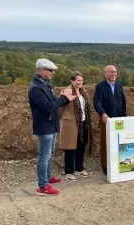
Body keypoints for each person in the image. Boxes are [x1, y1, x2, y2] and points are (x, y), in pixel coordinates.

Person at [28, 58, 76, 196]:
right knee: (44, 155)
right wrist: (64, 99)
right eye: (50, 70)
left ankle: (48, 177)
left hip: (52, 124)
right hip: (44, 126)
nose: (53, 73)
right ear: (41, 70)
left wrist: (62, 98)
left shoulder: (46, 84)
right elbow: (48, 107)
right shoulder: (36, 88)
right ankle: (42, 186)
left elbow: (54, 101)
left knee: (50, 153)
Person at [59, 71, 94, 181]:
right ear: (72, 81)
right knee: (70, 148)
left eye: (81, 80)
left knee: (81, 146)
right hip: (71, 123)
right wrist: (61, 120)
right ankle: (69, 172)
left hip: (83, 122)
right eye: (78, 80)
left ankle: (79, 168)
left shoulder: (83, 92)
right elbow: (60, 107)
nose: (80, 82)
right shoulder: (66, 92)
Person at [93, 65, 126, 175]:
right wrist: (102, 113)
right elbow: (97, 102)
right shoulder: (100, 86)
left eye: (115, 72)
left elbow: (123, 102)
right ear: (106, 73)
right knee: (105, 143)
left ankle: (117, 163)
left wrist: (124, 116)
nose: (113, 74)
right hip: (106, 120)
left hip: (119, 120)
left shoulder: (119, 86)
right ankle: (105, 166)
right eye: (111, 72)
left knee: (118, 142)